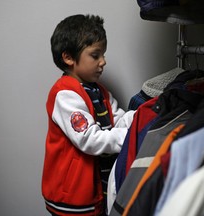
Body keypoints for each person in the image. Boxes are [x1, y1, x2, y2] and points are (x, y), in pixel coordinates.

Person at [41, 14, 135, 216]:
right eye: (95, 55)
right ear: (68, 58)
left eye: (103, 54)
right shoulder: (65, 95)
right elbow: (90, 139)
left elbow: (118, 119)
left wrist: (141, 116)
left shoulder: (100, 91)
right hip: (73, 198)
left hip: (97, 193)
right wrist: (132, 136)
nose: (103, 62)